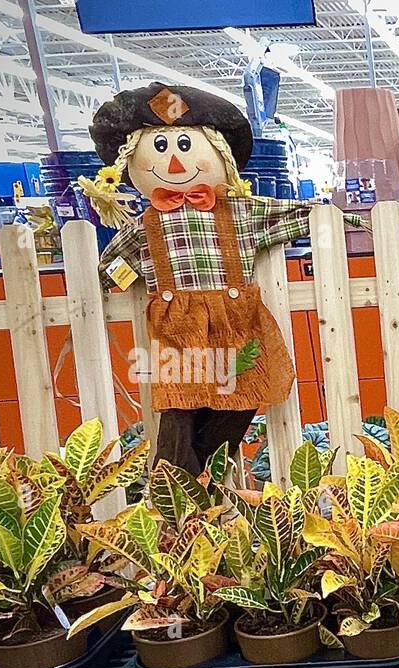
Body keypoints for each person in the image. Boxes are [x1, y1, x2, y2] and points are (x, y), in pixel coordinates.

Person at [82, 83, 361, 473]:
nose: (176, 162)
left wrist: (346, 216)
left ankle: (189, 487)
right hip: (179, 332)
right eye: (160, 148)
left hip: (237, 324)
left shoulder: (242, 213)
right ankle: (181, 485)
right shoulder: (145, 229)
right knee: (179, 405)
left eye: (185, 146)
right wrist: (107, 286)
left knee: (244, 394)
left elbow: (300, 212)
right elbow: (110, 269)